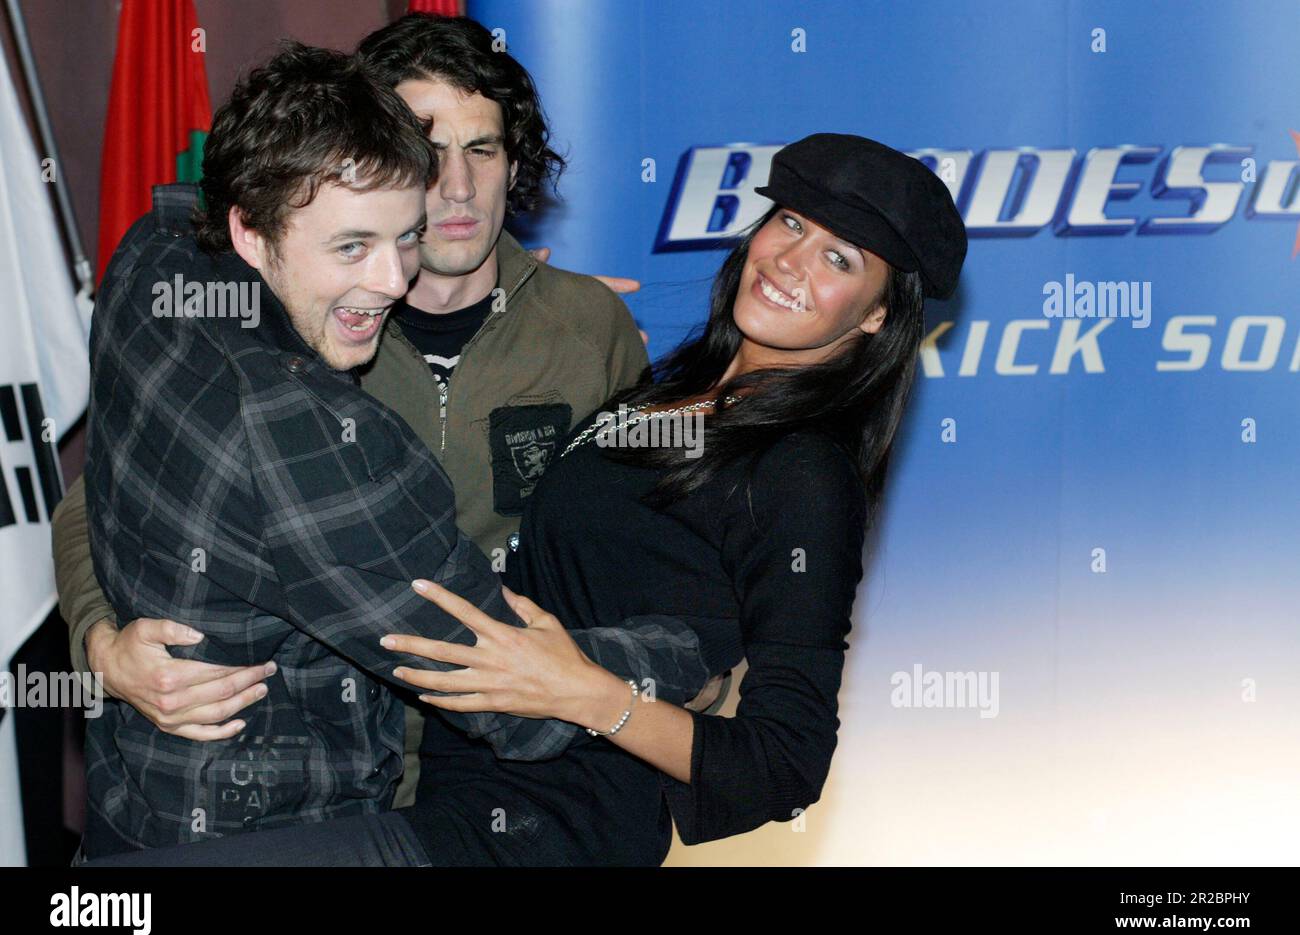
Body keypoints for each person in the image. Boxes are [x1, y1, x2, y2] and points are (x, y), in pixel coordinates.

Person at [86, 132, 967, 866]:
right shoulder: (676, 393)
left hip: (546, 824)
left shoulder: (805, 474)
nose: (789, 262)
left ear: (877, 318)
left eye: (839, 259)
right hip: (442, 785)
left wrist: (590, 695)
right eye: (790, 222)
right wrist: (523, 300)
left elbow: (784, 763)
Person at [73, 42, 708, 862]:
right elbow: (500, 683)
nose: (388, 279)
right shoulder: (300, 430)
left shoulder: (155, 253)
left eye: (403, 236)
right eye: (350, 246)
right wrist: (700, 651)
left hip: (154, 816)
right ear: (251, 228)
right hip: (299, 832)